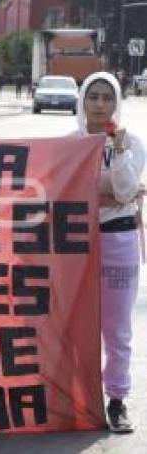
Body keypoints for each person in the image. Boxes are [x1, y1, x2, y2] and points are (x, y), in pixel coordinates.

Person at [76, 72, 145, 434]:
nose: (100, 105)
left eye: (107, 97)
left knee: (116, 330)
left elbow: (125, 189)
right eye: (93, 97)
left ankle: (116, 400)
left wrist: (118, 152)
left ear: (117, 102)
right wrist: (116, 198)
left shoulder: (131, 142)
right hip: (74, 245)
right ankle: (75, 397)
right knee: (73, 325)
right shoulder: (68, 144)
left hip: (119, 243)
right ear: (83, 101)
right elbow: (60, 191)